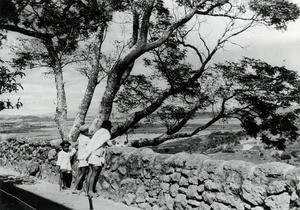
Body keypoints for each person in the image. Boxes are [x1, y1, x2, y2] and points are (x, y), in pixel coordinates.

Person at [80, 120, 112, 198]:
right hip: (96, 156)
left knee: (90, 173)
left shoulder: (98, 132)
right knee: (94, 174)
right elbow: (109, 143)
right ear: (108, 127)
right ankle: (91, 192)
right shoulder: (106, 133)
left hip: (91, 154)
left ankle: (87, 191)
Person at [72, 125, 90, 194]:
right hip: (84, 158)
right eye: (87, 131)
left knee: (80, 173)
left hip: (80, 157)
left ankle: (75, 187)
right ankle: (74, 188)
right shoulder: (86, 139)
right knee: (82, 173)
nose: (88, 132)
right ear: (84, 132)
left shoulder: (80, 138)